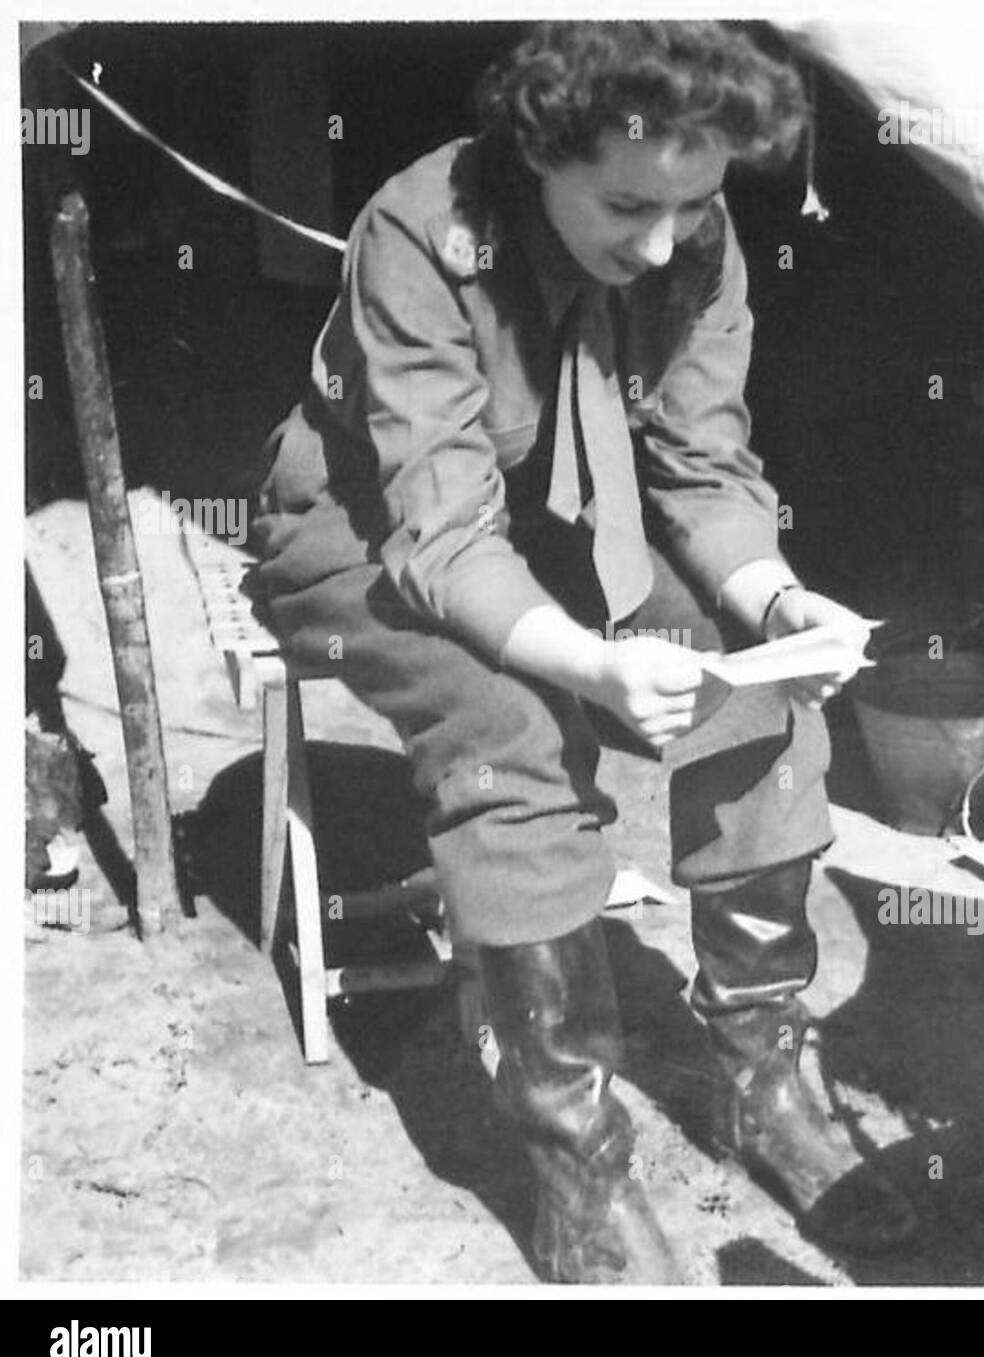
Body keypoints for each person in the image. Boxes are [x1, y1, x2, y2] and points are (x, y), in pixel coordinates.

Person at [249, 19, 917, 1283]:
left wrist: (777, 610)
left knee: (759, 706)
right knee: (512, 735)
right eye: (625, 204)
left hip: (564, 517)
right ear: (538, 152)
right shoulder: (422, 233)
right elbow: (439, 531)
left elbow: (700, 465)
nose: (662, 241)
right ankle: (580, 1165)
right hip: (366, 530)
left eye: (695, 200)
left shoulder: (694, 242)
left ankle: (763, 1086)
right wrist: (592, 666)